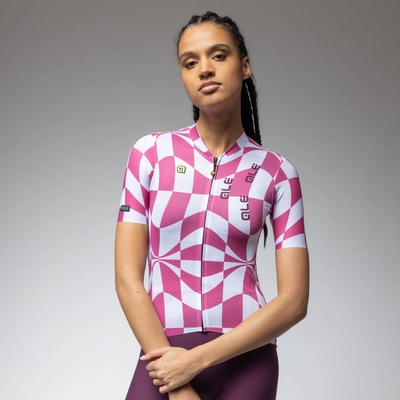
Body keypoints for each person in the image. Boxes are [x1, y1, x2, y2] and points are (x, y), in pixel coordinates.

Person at [115, 11, 309, 400]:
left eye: (218, 55)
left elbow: (294, 301)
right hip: (163, 357)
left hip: (247, 362)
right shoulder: (150, 154)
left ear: (245, 66)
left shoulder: (277, 173)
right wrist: (178, 382)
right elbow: (127, 278)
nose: (204, 69)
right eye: (190, 62)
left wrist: (196, 361)